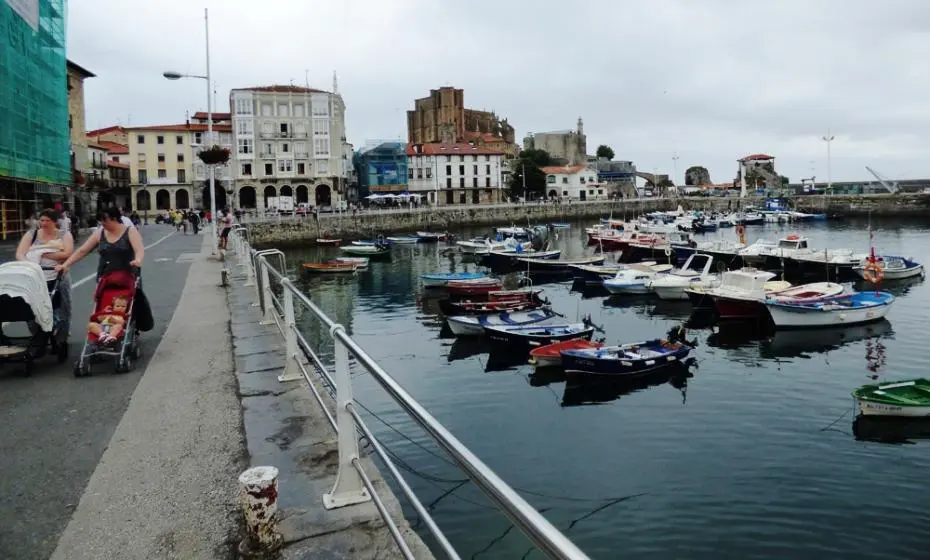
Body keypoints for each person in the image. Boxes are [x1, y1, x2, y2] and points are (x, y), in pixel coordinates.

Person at [15, 209, 74, 339]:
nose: (44, 223)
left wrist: (43, 253)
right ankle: (37, 333)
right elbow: (20, 253)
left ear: (54, 222)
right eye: (42, 220)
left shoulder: (64, 234)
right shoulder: (32, 234)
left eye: (47, 220)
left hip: (58, 273)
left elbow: (68, 253)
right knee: (32, 305)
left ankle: (62, 334)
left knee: (63, 305)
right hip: (35, 274)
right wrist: (29, 266)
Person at [58, 207, 144, 280]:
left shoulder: (130, 231)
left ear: (114, 218)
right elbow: (82, 251)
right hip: (105, 277)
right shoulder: (99, 233)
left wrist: (138, 260)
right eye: (100, 221)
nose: (102, 223)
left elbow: (138, 249)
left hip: (127, 278)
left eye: (105, 220)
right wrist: (65, 264)